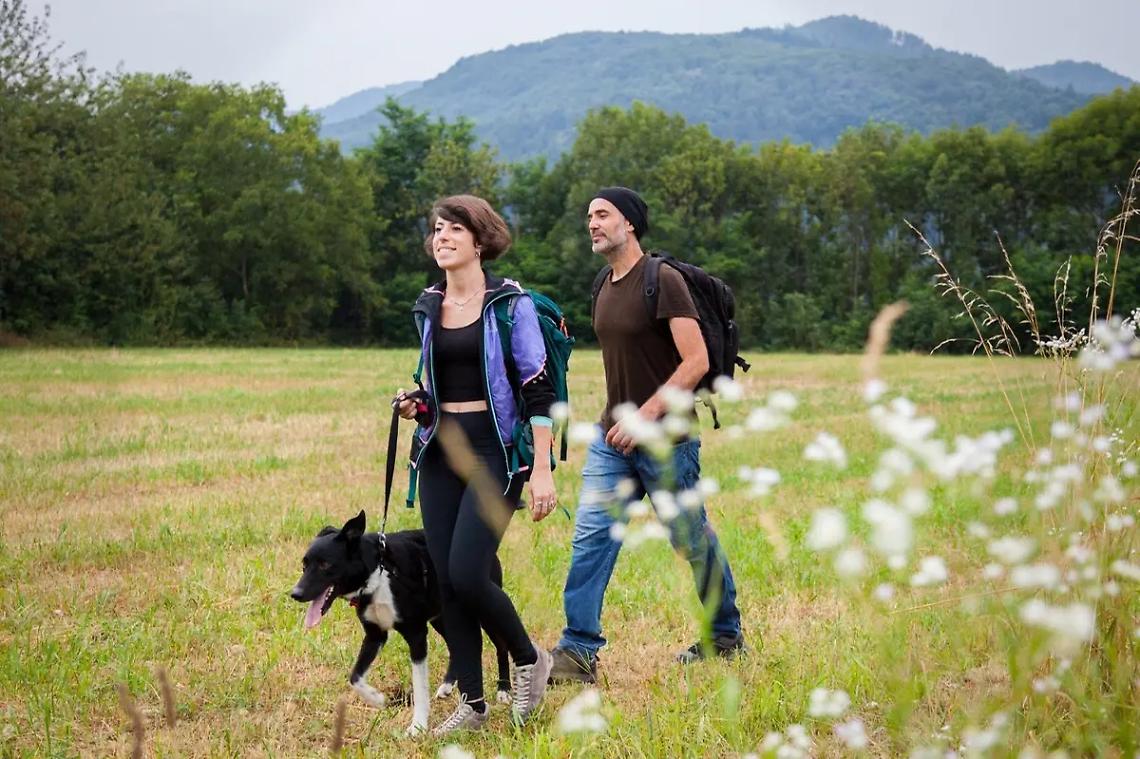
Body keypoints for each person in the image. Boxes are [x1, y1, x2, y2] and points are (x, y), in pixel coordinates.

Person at [548, 186, 745, 684]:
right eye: (589, 216)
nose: (592, 224)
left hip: (666, 439)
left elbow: (696, 361)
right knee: (591, 539)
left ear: (630, 223)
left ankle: (725, 636)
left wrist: (646, 416)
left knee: (690, 539)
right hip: (612, 440)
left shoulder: (664, 280)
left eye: (602, 214)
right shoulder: (603, 283)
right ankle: (578, 651)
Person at [396, 194, 556, 734]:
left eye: (454, 229)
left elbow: (538, 391)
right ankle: (473, 702)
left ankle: (530, 659)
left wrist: (542, 470)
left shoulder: (510, 305)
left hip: (495, 452)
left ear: (481, 241)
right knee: (446, 580)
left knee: (468, 572)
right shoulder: (429, 305)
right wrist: (418, 404)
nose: (441, 237)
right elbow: (440, 385)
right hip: (440, 451)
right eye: (437, 229)